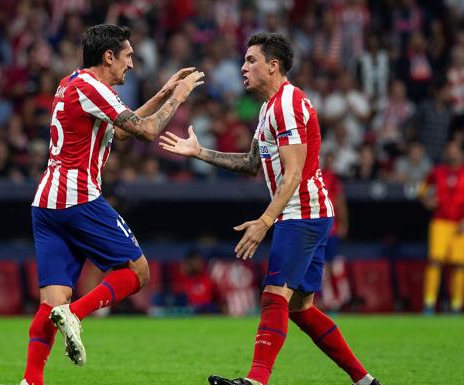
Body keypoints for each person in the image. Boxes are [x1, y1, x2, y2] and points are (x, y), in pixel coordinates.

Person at [160, 32, 381, 385]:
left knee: (273, 296)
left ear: (273, 66)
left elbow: (293, 173)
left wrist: (265, 220)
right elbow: (252, 163)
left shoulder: (288, 105)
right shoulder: (269, 109)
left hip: (302, 214)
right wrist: (199, 153)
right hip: (306, 213)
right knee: (301, 310)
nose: (243, 67)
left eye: (251, 60)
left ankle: (255, 380)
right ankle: (365, 380)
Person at [21, 24, 204, 385]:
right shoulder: (92, 88)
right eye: (128, 56)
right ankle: (76, 313)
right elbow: (147, 132)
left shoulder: (72, 83)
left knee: (50, 302)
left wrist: (164, 89)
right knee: (138, 273)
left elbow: (121, 129)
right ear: (109, 56)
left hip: (46, 203)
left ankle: (31, 380)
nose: (132, 65)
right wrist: (179, 97)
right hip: (78, 198)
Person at [419, 141, 464, 314]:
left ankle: (456, 305)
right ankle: (429, 304)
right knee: (435, 261)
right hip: (440, 222)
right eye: (449, 151)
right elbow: (422, 191)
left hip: (460, 224)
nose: (452, 154)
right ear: (446, 153)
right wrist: (428, 201)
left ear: (461, 154)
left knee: (460, 265)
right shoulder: (436, 172)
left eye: (455, 151)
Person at [320, 152, 351, 312]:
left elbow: (339, 202)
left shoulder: (333, 179)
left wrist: (343, 223)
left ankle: (333, 300)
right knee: (318, 265)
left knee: (330, 265)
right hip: (316, 228)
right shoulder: (316, 175)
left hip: (329, 229)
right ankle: (323, 299)